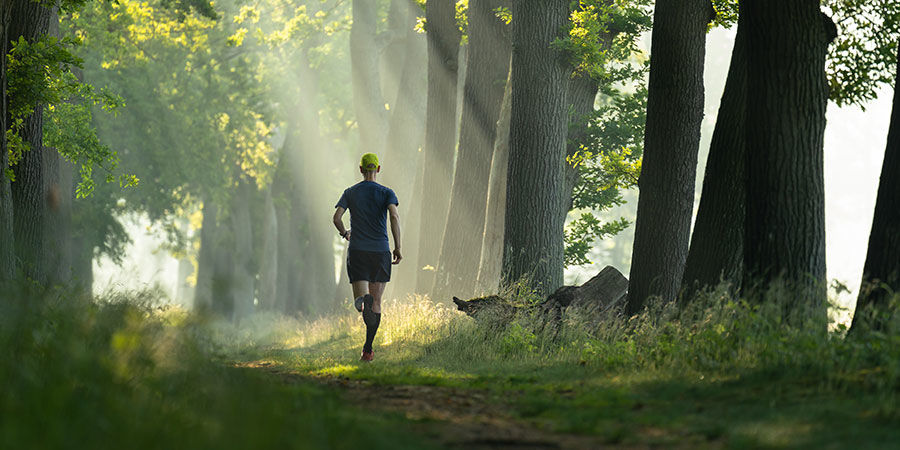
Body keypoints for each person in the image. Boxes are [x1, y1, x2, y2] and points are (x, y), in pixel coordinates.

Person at [333, 153, 402, 362]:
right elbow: (394, 216)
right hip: (381, 252)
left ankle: (363, 303)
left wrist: (346, 232)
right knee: (377, 304)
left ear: (361, 169)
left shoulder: (350, 192)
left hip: (358, 251)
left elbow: (336, 218)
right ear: (378, 169)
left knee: (361, 301)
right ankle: (368, 349)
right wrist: (398, 247)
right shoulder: (387, 193)